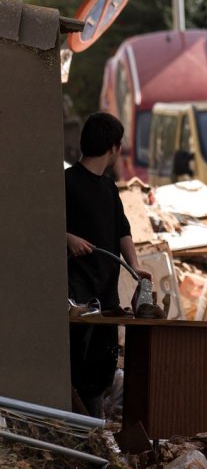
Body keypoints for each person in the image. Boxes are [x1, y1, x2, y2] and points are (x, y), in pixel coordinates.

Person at [66, 112, 151, 417]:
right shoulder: (66, 182)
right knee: (78, 369)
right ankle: (86, 431)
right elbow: (42, 225)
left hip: (107, 297)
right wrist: (68, 238)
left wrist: (135, 266)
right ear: (114, 148)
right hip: (77, 298)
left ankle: (94, 429)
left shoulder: (109, 187)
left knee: (101, 371)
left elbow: (122, 230)